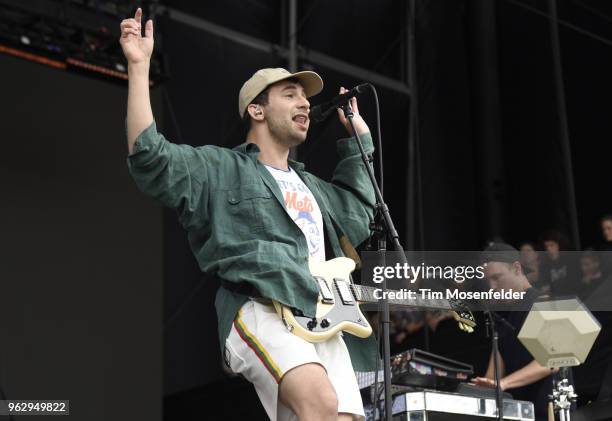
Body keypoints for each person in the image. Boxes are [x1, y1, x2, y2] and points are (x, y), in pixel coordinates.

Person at [120, 8, 378, 421]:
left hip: (324, 316)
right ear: (257, 111)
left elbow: (361, 215)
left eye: (306, 98)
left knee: (341, 417)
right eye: (290, 94)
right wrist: (138, 67)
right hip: (262, 308)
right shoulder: (221, 168)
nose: (305, 104)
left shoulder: (313, 187)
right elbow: (152, 159)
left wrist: (360, 139)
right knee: (321, 403)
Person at [471, 243, 557, 421]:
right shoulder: (501, 318)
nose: (492, 287)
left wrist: (503, 384)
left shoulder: (542, 303)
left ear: (517, 268)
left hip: (547, 410)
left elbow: (552, 360)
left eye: (497, 277)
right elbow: (492, 376)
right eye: (489, 281)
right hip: (519, 413)